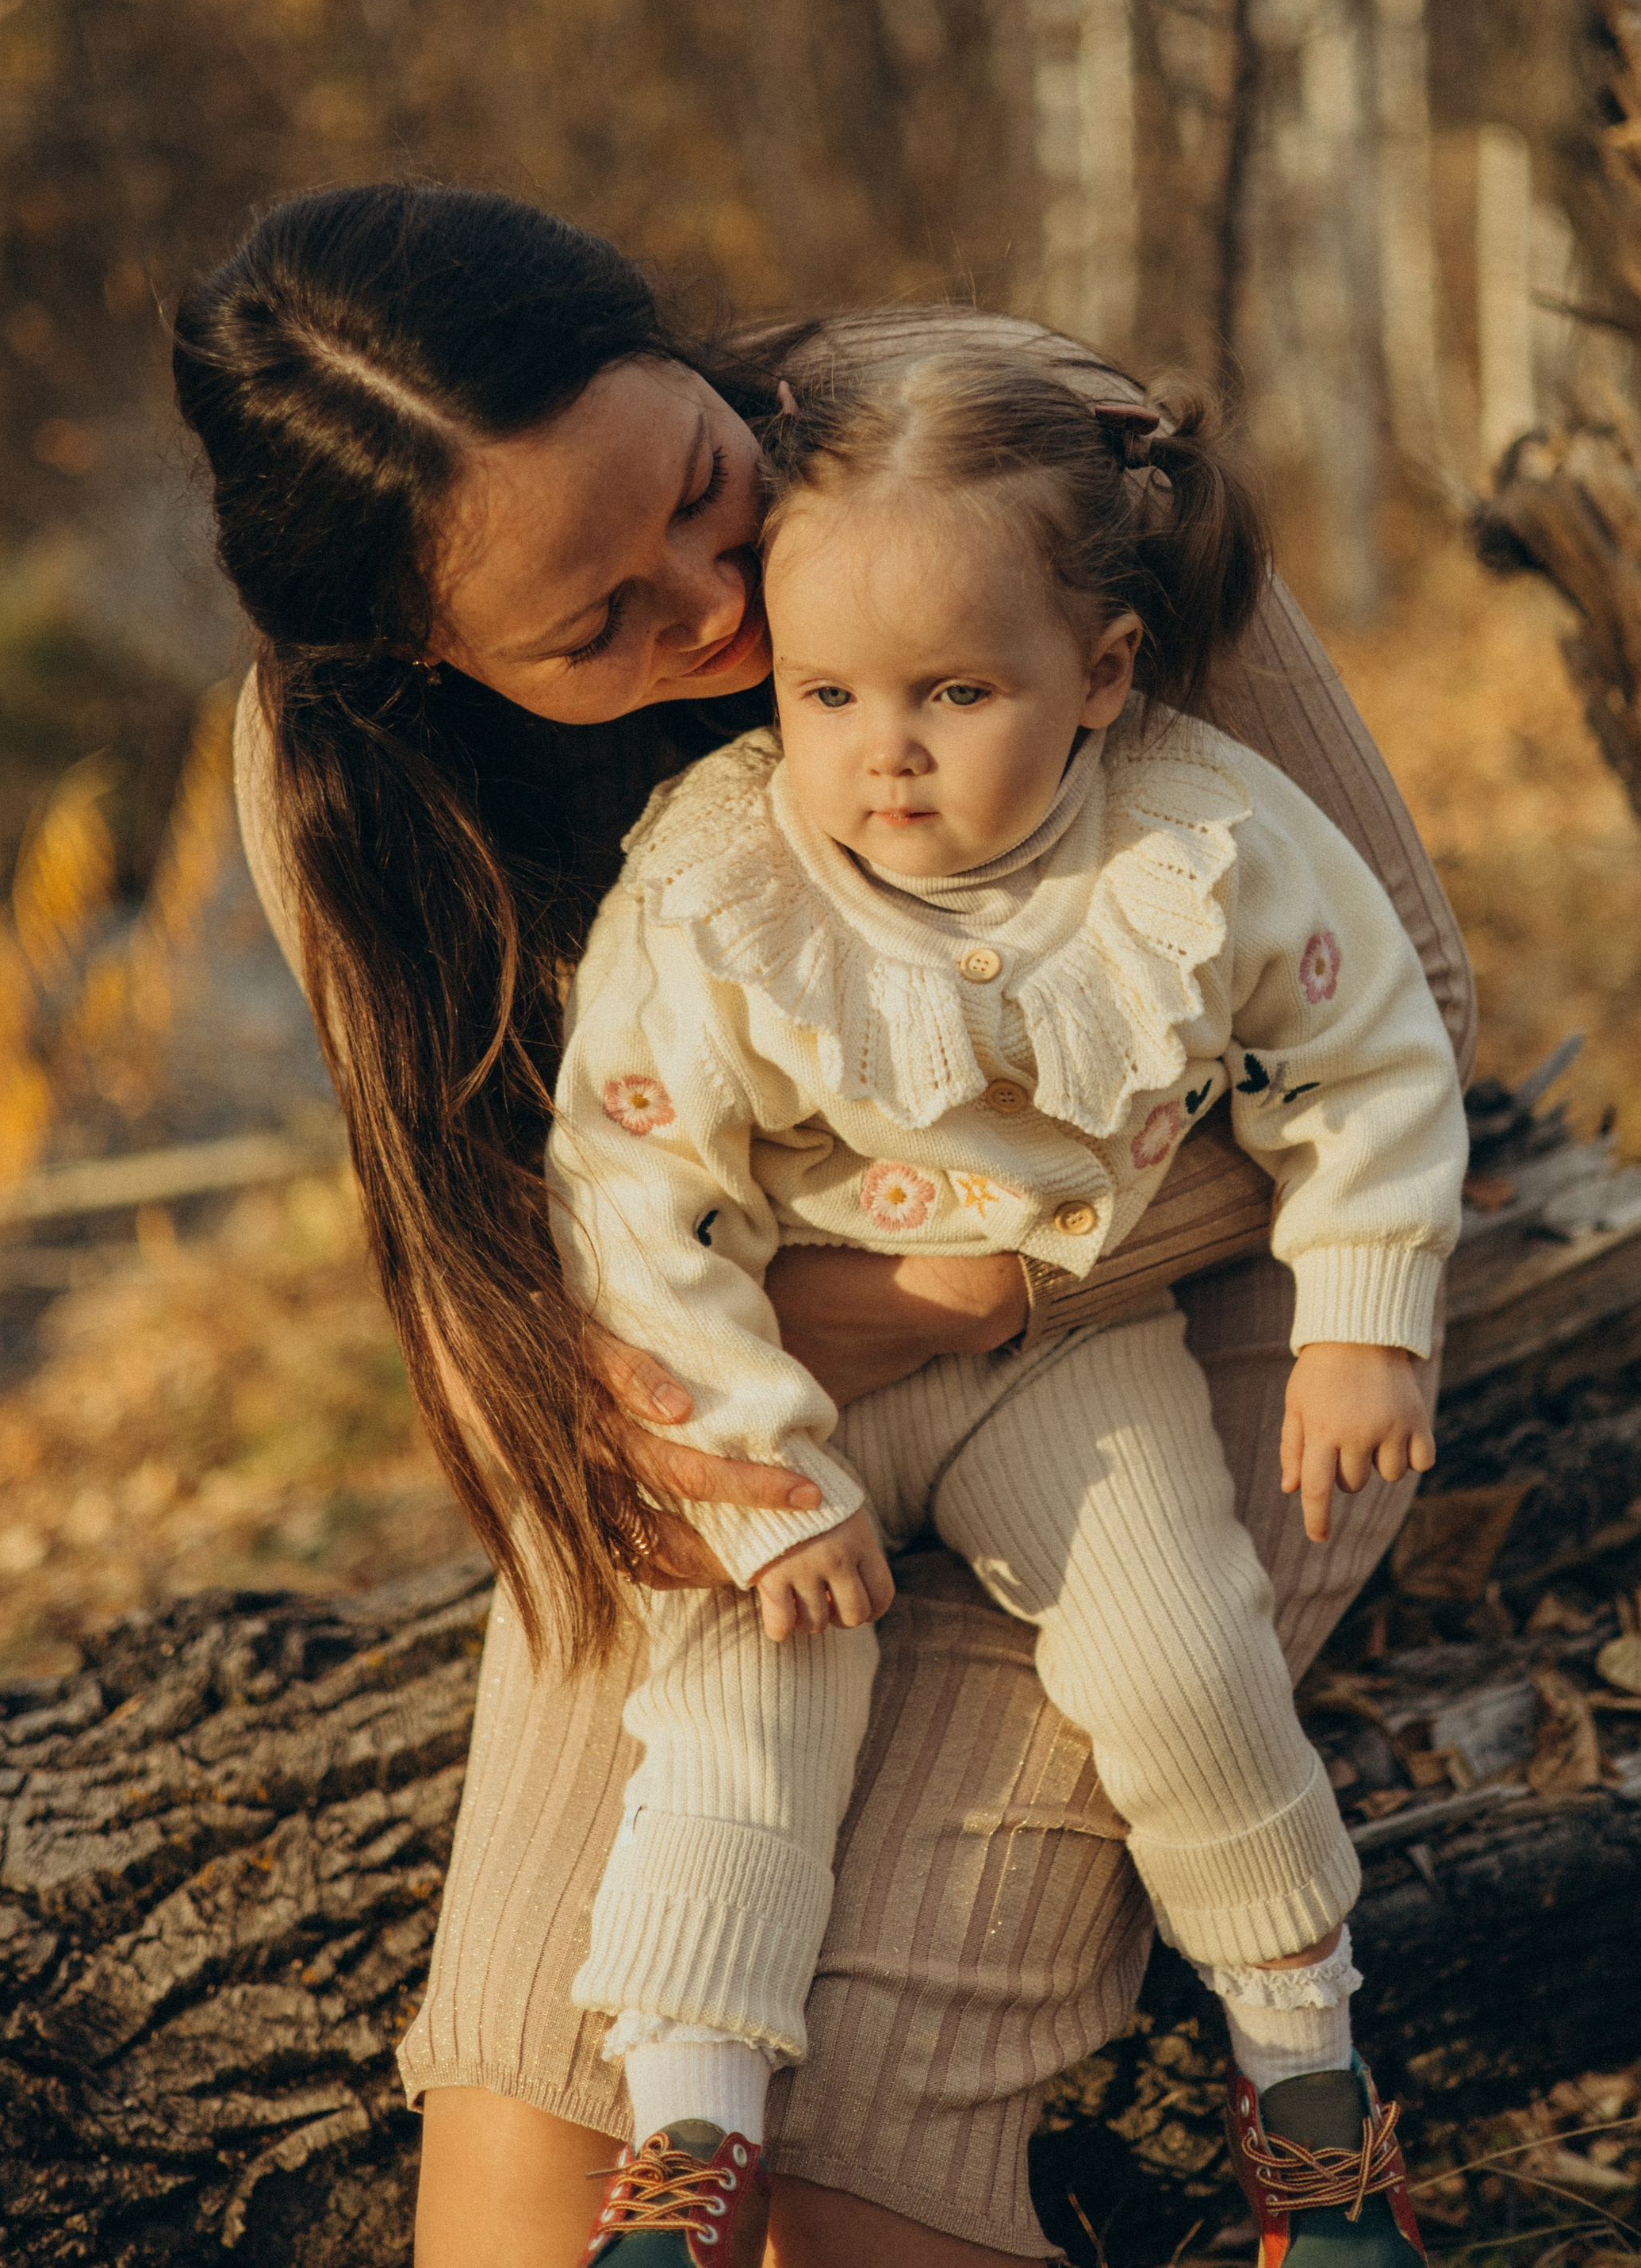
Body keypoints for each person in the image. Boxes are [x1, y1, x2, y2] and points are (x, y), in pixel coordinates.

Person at [172, 182, 1476, 2268]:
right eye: (590, 626)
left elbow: (1406, 985)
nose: (710, 606)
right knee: (544, 2090)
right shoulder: (340, 772)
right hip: (719, 1388)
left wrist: (953, 1281)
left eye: (702, 491)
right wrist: (676, 1397)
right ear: (423, 659)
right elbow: (491, 1249)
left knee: (859, 2119)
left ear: (680, 342)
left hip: (1192, 1318)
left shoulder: (1003, 454)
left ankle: (1312, 2110)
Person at [546, 345, 1460, 2266]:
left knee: (1179, 1663)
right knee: (737, 1703)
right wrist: (753, 1469)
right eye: (829, 695)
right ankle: (689, 2147)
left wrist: (1364, 1305)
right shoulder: (718, 881)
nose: (883, 750)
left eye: (955, 694)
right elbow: (628, 1199)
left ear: (1100, 674)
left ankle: (1308, 2085)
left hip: (1063, 1353)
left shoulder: (1192, 837)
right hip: (787, 1378)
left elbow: (1368, 1053)